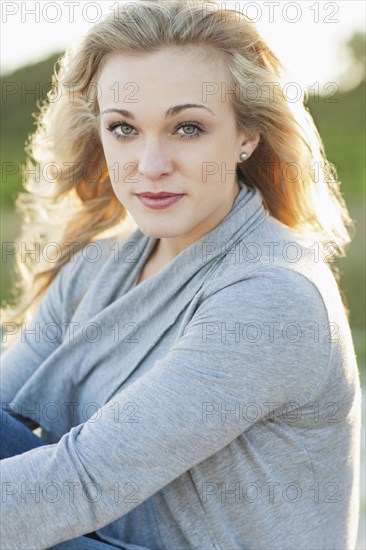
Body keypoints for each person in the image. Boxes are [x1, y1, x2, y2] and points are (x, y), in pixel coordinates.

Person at [0, 1, 361, 549]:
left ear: (247, 135)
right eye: (123, 128)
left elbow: (79, 483)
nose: (149, 165)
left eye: (186, 127)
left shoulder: (272, 295)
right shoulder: (102, 265)